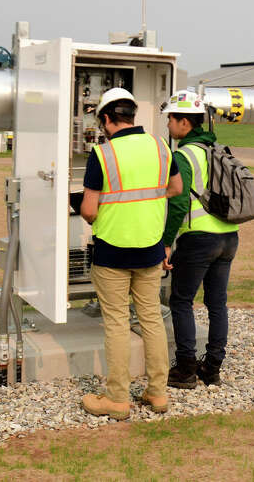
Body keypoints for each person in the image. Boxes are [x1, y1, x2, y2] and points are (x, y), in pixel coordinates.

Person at [79, 87, 181, 419]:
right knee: (151, 318)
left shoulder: (103, 154)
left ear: (107, 118)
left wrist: (94, 212)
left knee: (117, 324)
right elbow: (176, 188)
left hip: (112, 252)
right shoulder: (161, 147)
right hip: (150, 249)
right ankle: (158, 393)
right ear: (132, 115)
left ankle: (118, 399)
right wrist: (148, 202)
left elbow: (89, 210)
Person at [161, 88, 240, 389]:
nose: (168, 124)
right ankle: (212, 367)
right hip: (228, 237)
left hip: (198, 239)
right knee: (217, 303)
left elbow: (179, 202)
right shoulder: (217, 150)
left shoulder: (183, 155)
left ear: (184, 123)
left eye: (171, 119)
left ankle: (185, 369)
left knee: (181, 300)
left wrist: (166, 242)